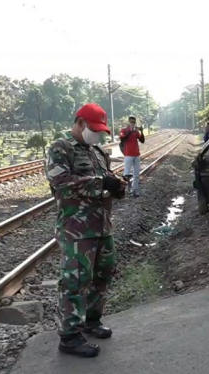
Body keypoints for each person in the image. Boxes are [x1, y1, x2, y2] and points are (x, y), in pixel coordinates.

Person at [46, 103, 128, 357]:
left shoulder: (97, 151)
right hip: (76, 229)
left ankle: (92, 320)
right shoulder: (60, 148)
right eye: (94, 129)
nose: (98, 134)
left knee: (104, 273)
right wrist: (100, 182)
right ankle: (70, 336)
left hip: (102, 225)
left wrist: (118, 186)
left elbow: (108, 179)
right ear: (80, 123)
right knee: (76, 280)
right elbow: (61, 183)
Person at [119, 116, 146, 197]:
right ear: (128, 122)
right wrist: (131, 131)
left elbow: (142, 140)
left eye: (134, 122)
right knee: (126, 174)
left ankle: (135, 190)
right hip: (128, 155)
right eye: (131, 122)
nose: (132, 123)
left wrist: (141, 131)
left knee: (136, 174)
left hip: (136, 154)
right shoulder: (124, 130)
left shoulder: (136, 131)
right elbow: (122, 139)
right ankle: (125, 189)